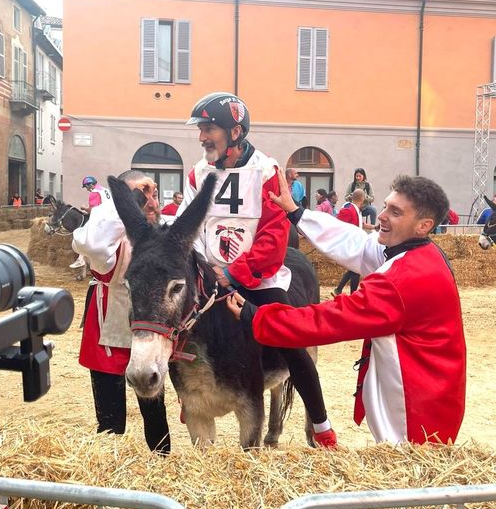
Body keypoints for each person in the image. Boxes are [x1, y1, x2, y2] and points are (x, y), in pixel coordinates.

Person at [227, 171, 466, 446]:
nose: (382, 216)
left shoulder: (404, 279)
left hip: (418, 414)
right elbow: (355, 242)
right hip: (430, 393)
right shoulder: (415, 251)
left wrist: (257, 316)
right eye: (386, 206)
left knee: (408, 465)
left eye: (396, 212)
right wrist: (296, 213)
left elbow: (330, 319)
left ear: (423, 226)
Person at [179, 91, 337, 448]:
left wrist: (234, 273)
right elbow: (189, 226)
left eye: (208, 129)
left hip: (258, 278)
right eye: (200, 129)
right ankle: (188, 396)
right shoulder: (198, 173)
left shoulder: (267, 170)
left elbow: (274, 235)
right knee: (174, 325)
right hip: (209, 275)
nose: (202, 137)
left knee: (292, 344)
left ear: (235, 132)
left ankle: (320, 423)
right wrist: (206, 269)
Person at [72, 169, 170, 454]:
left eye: (153, 194)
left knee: (155, 417)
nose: (150, 201)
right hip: (110, 331)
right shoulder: (109, 240)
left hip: (148, 334)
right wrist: (129, 202)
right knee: (111, 424)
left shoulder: (161, 233)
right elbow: (92, 243)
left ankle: (161, 467)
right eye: (141, 194)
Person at [331, 188, 374, 297]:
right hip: (351, 245)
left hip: (357, 244)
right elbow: (338, 225)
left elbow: (361, 224)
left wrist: (375, 227)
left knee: (355, 269)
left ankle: (340, 290)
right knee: (356, 269)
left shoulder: (357, 210)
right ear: (362, 199)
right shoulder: (348, 210)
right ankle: (347, 292)